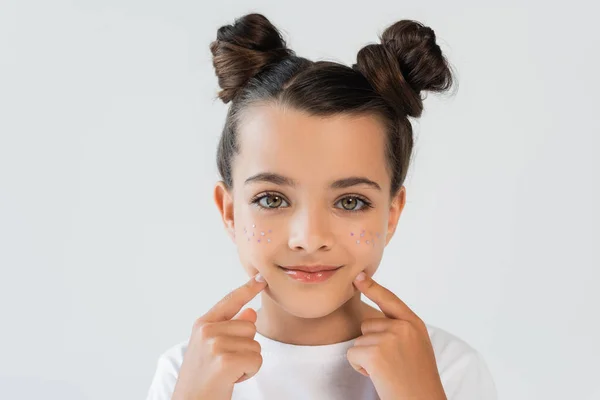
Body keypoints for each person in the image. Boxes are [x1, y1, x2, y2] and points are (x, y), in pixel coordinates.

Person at [145, 12, 497, 400]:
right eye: (272, 199)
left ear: (391, 213)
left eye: (350, 201)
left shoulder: (447, 368)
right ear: (230, 211)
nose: (309, 239)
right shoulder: (186, 373)